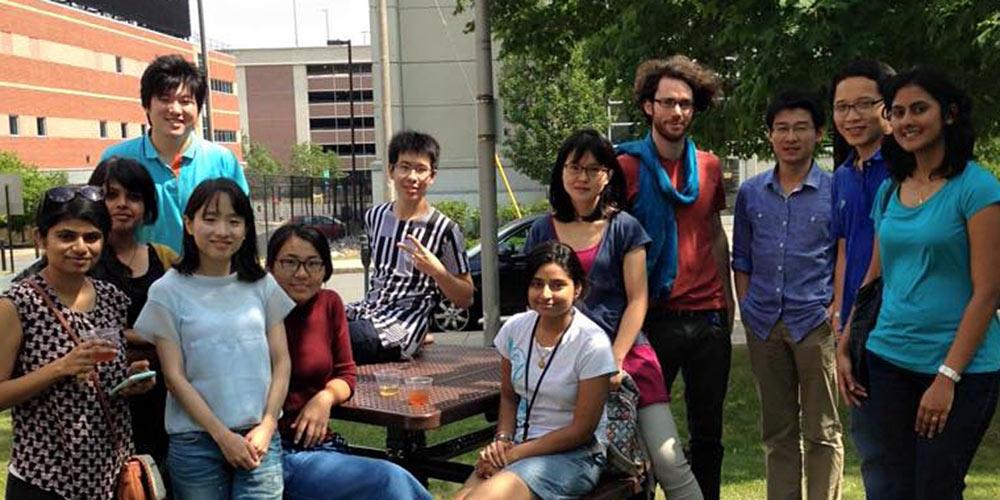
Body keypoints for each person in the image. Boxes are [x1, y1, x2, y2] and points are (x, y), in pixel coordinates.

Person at [838, 68, 1000, 499]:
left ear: (948, 115)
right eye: (899, 111)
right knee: (887, 488)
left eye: (919, 109)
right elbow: (875, 275)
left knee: (935, 489)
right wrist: (846, 341)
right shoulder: (891, 189)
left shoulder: (978, 188)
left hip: (958, 370)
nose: (907, 120)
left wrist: (947, 377)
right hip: (887, 360)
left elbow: (988, 291)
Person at [526, 129, 703, 499]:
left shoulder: (624, 228)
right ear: (561, 172)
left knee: (670, 461)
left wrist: (613, 360)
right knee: (579, 469)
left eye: (593, 169)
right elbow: (533, 302)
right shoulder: (541, 230)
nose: (583, 177)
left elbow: (638, 300)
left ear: (608, 175)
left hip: (626, 360)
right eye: (575, 167)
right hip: (564, 364)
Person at [615, 55, 734, 500]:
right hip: (652, 320)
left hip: (708, 319)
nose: (676, 112)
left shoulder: (709, 166)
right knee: (642, 431)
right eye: (667, 102)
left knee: (709, 435)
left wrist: (728, 304)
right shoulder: (624, 168)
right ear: (648, 106)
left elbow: (713, 236)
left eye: (685, 103)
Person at [134, 178, 294, 498]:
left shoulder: (263, 285)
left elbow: (282, 361)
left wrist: (267, 425)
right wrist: (222, 436)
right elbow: (174, 378)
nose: (223, 230)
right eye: (210, 218)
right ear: (189, 224)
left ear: (246, 229)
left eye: (234, 221)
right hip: (196, 442)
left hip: (259, 439)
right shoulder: (167, 290)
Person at [0, 185, 154, 499]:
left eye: (92, 237)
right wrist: (60, 368)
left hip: (110, 476)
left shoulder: (111, 298)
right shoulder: (18, 303)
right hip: (45, 478)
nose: (80, 247)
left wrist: (129, 380)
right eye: (66, 236)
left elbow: (99, 375)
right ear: (40, 239)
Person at [265, 224, 432, 500]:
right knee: (388, 480)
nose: (301, 273)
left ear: (325, 269)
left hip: (322, 446)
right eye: (290, 262)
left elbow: (346, 373)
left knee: (390, 481)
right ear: (271, 266)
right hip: (275, 452)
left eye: (313, 264)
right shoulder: (256, 309)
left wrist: (325, 398)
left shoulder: (329, 304)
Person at [731, 90, 842, 500]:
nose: (790, 137)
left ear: (818, 134)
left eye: (800, 128)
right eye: (782, 129)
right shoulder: (751, 192)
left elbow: (841, 256)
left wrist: (833, 310)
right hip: (763, 323)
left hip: (815, 322)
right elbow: (741, 258)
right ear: (770, 136)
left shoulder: (835, 189)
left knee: (822, 431)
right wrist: (746, 306)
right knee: (777, 433)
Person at [455, 241, 617, 500]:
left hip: (573, 457)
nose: (545, 294)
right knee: (462, 497)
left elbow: (582, 430)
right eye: (537, 283)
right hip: (518, 445)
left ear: (578, 289)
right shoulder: (515, 329)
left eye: (557, 285)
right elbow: (509, 396)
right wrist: (503, 441)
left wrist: (513, 455)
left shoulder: (591, 343)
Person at [346, 130, 473, 364]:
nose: (412, 177)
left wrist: (437, 271)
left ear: (432, 176)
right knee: (315, 319)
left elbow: (465, 298)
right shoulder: (375, 216)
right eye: (404, 167)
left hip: (403, 324)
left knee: (348, 340)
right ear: (391, 171)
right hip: (368, 310)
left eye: (421, 169)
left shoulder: (445, 229)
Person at [102, 54, 249, 254]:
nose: (176, 109)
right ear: (146, 105)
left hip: (207, 277)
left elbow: (241, 222)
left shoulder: (222, 160)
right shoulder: (116, 159)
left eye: (186, 101)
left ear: (198, 108)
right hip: (137, 277)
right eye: (165, 99)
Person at [87, 157, 179, 470]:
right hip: (101, 405)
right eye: (111, 195)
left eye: (133, 196)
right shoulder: (80, 261)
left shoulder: (165, 260)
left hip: (165, 403)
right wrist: (133, 334)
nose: (122, 204)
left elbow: (187, 322)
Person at [829, 60, 895, 333]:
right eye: (842, 107)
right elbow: (844, 249)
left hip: (897, 319)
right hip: (855, 320)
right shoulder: (842, 176)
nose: (852, 117)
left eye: (865, 104)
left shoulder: (906, 170)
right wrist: (838, 313)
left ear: (889, 107)